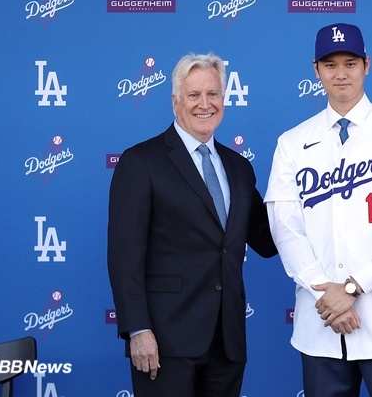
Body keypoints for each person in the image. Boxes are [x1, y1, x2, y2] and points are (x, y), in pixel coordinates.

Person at [264, 23, 372, 397]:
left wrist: (352, 286)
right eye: (330, 65)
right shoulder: (292, 142)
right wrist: (326, 293)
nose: (340, 73)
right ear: (316, 70)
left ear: (367, 65)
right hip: (322, 323)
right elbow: (285, 228)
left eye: (350, 63)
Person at [107, 52, 278, 397]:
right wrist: (138, 329)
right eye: (194, 95)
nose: (205, 104)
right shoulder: (141, 161)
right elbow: (124, 256)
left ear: (224, 99)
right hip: (164, 340)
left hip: (227, 342)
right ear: (175, 102)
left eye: (213, 94)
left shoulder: (239, 167)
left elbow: (269, 238)